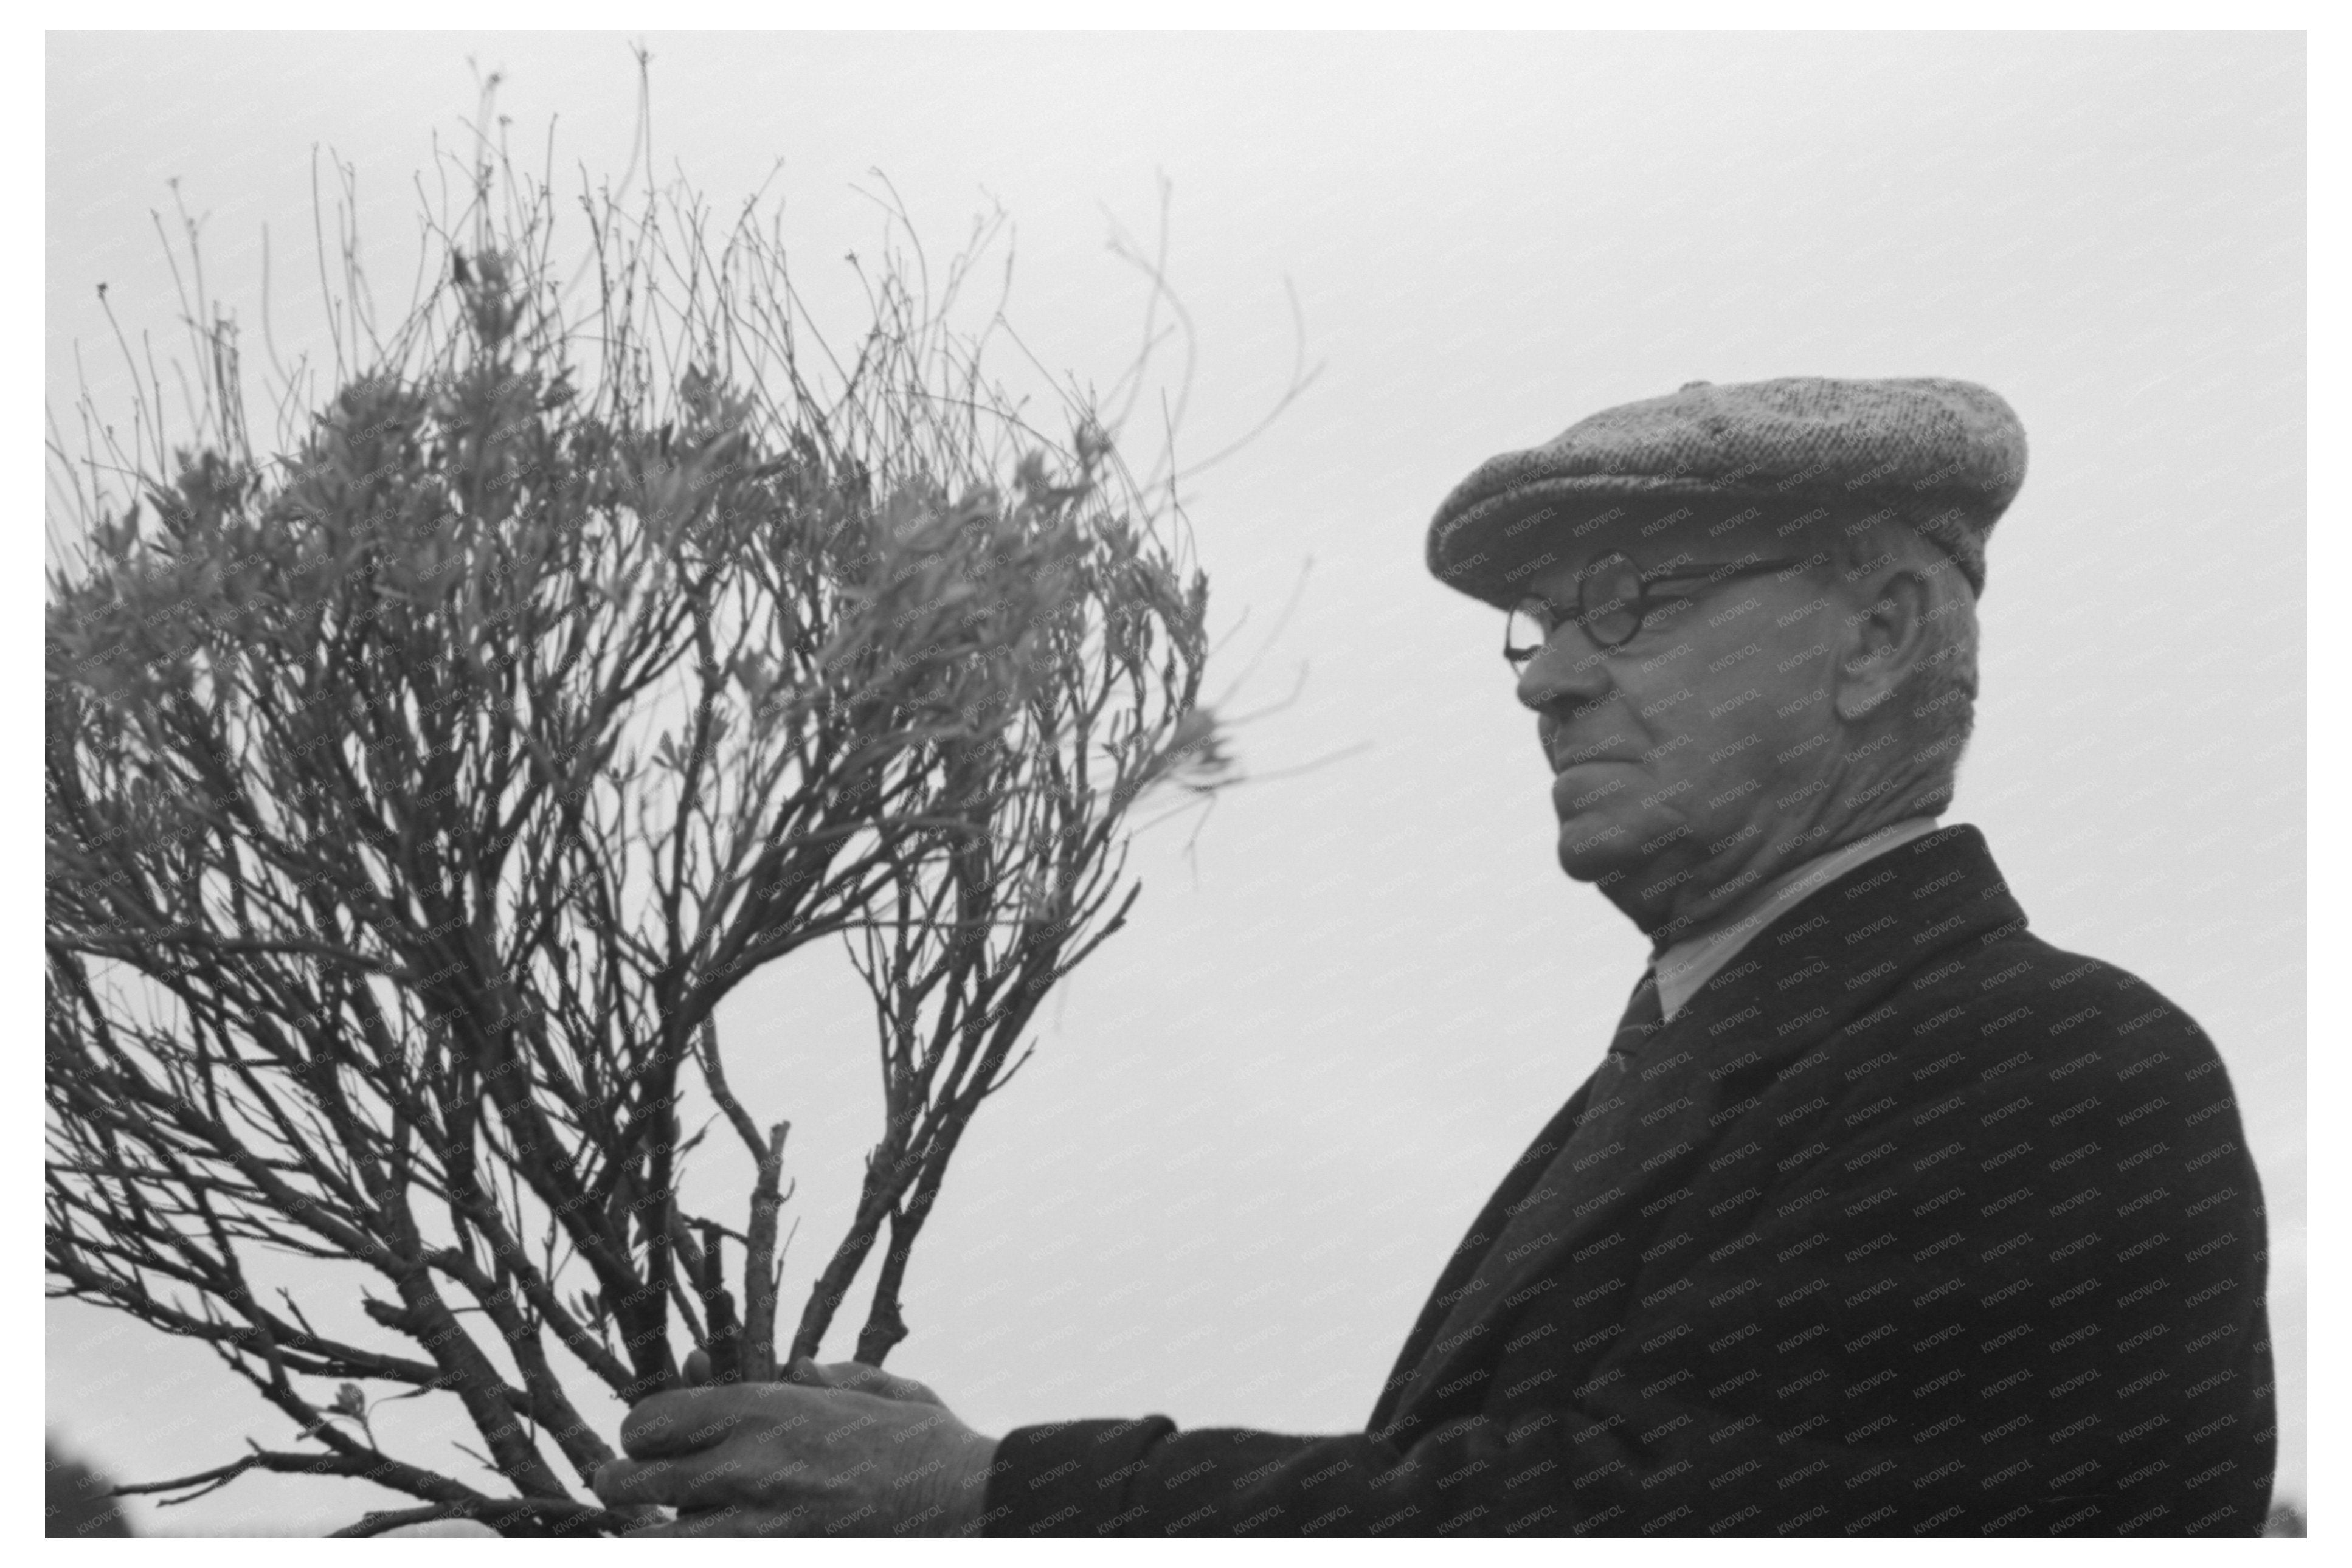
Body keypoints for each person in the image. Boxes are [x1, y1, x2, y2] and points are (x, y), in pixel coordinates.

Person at [591, 376, 2277, 1537]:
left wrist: (1005, 1499)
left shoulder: (2056, 1067)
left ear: (1881, 636)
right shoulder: (1703, 1058)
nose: (1548, 680)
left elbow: (1645, 1523)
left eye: (1631, 597)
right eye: (1538, 626)